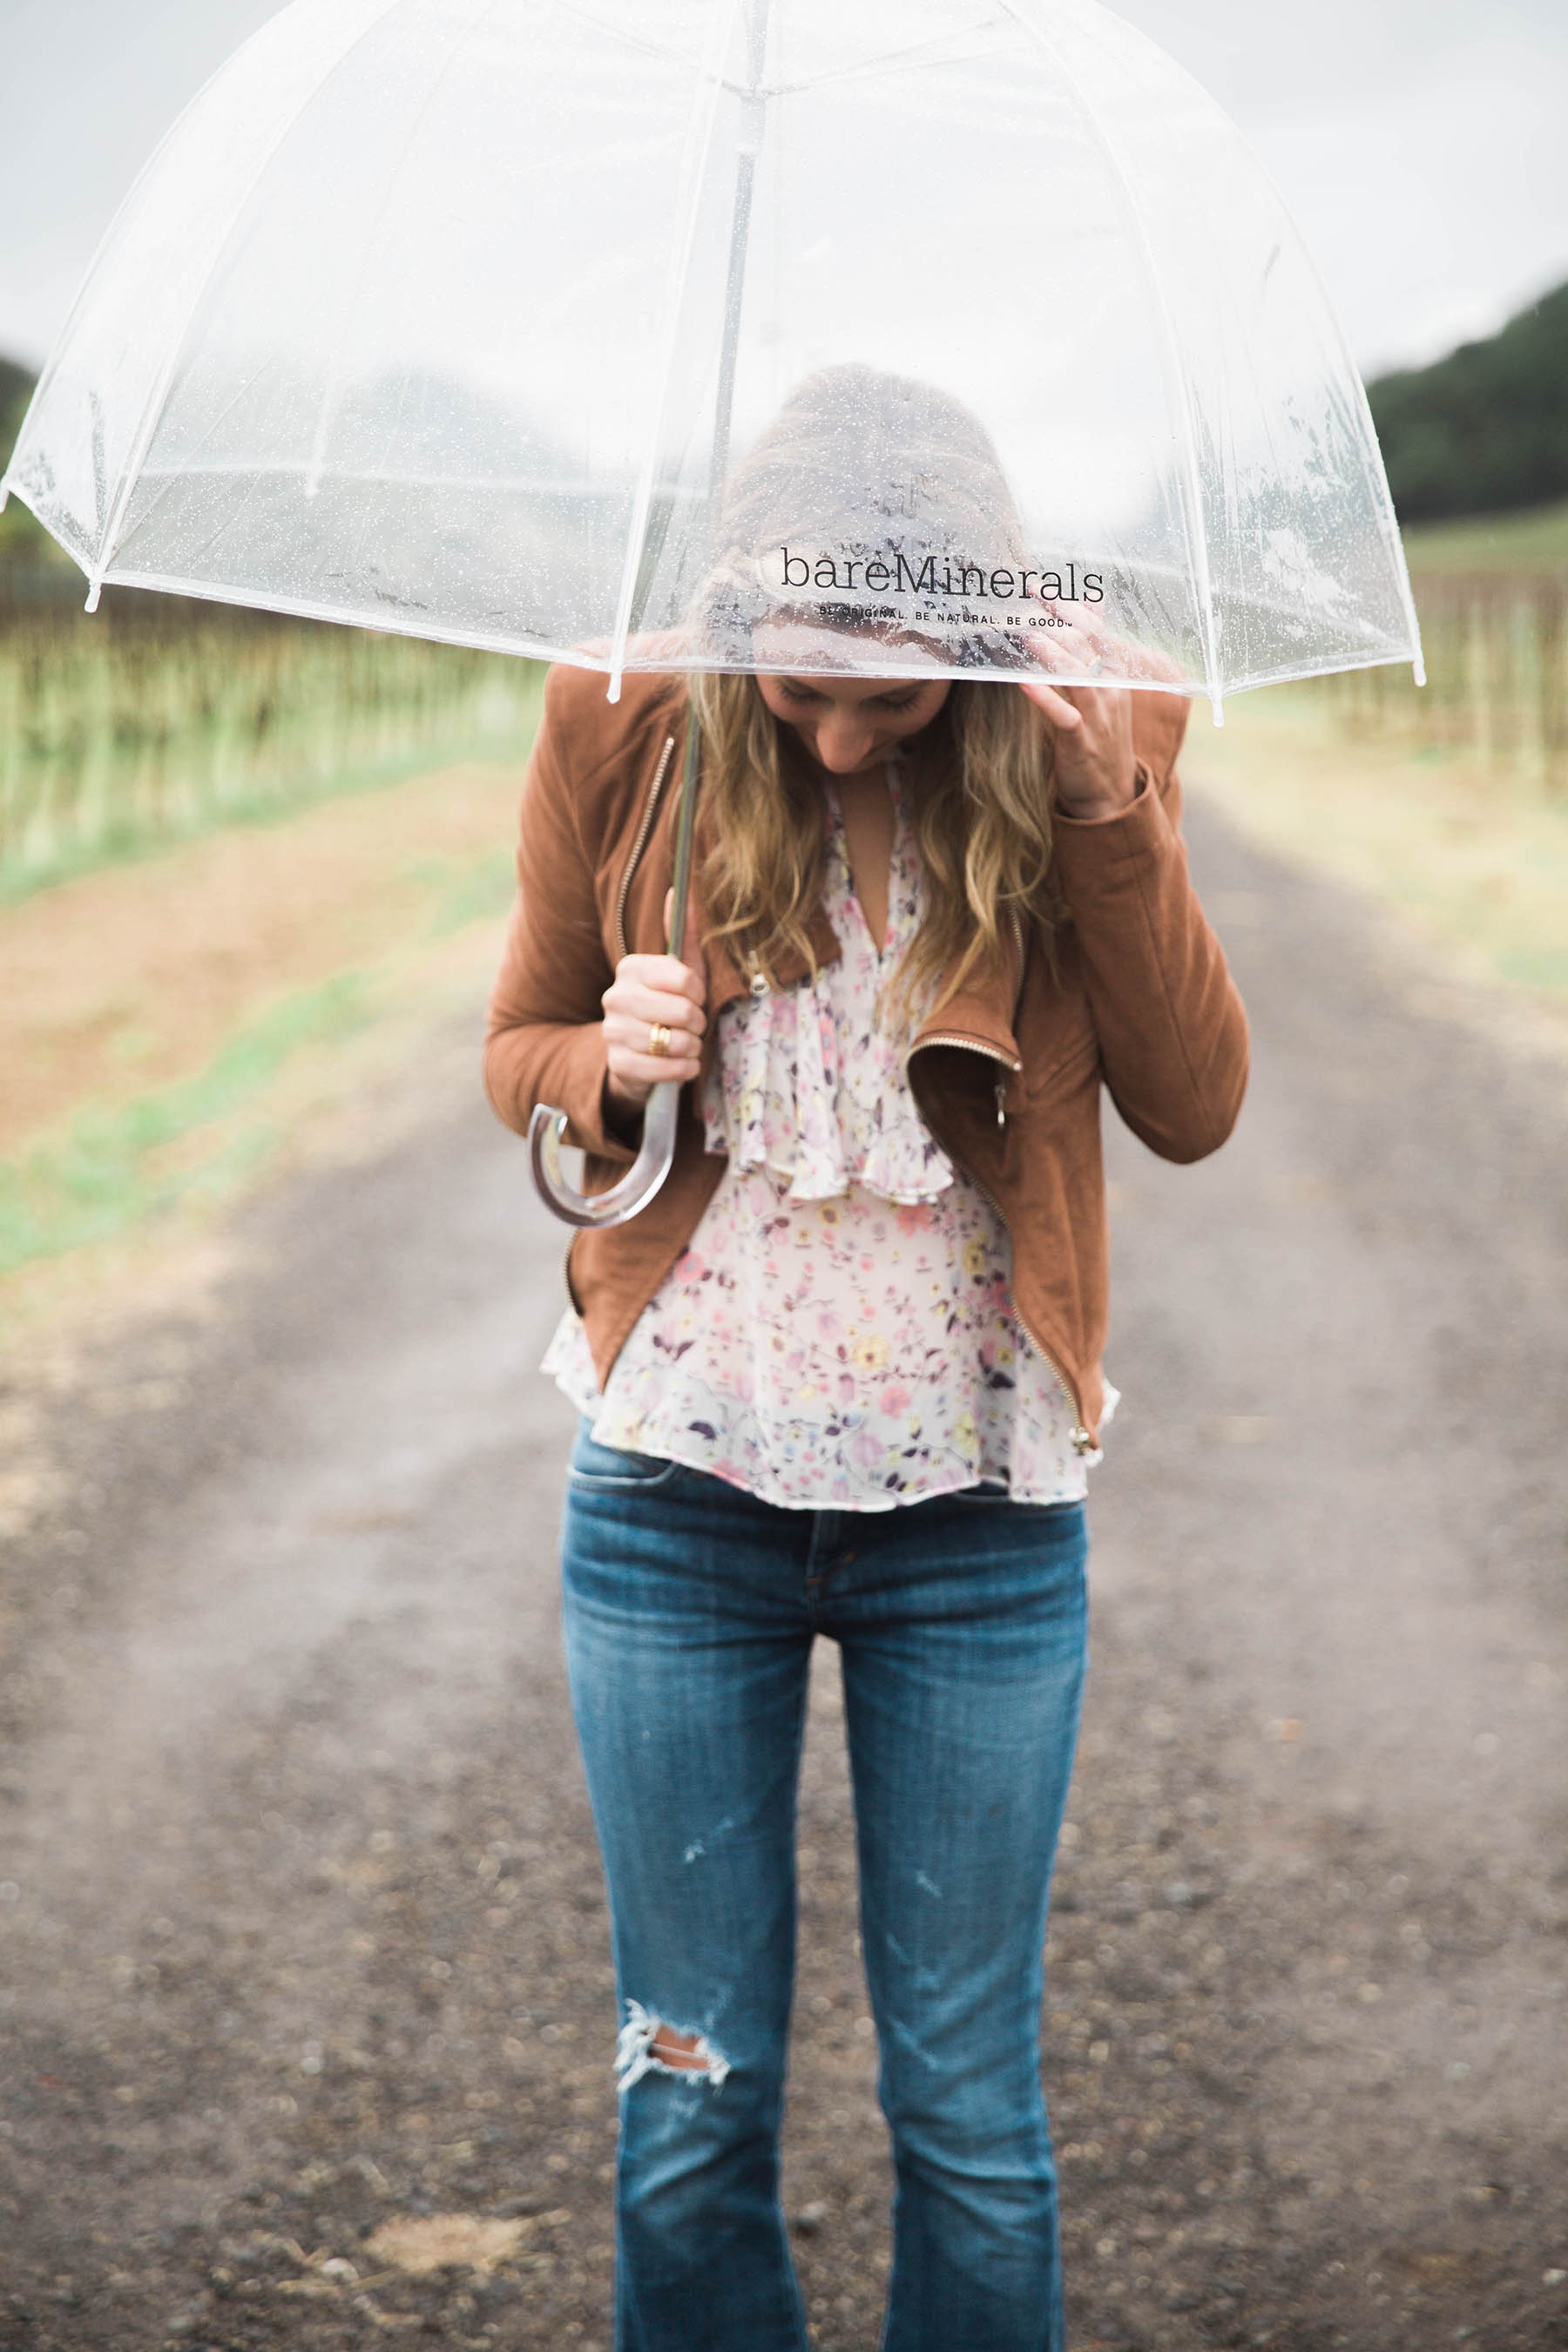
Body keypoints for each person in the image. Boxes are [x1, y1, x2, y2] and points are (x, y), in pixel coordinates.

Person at [483, 367, 1248, 2352]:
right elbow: (517, 1054)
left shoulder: (1097, 735)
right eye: (797, 681)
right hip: (674, 1508)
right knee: (686, 2097)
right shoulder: (627, 718)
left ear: (981, 643)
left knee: (971, 2117)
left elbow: (1195, 1104)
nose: (832, 730)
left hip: (975, 1529)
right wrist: (603, 1053)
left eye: (891, 695)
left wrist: (1107, 818)